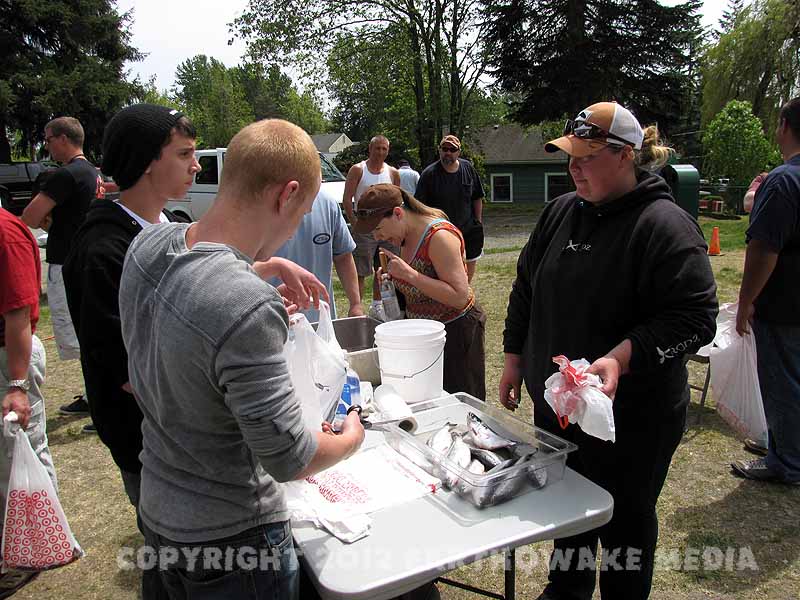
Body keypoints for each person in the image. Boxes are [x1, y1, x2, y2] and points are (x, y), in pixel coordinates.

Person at [118, 119, 365, 599]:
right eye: (302, 212)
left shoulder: (147, 244)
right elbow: (291, 456)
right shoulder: (246, 303)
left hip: (160, 512)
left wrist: (260, 268)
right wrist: (352, 435)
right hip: (233, 541)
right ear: (286, 195)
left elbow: (191, 280)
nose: (296, 225)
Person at [500, 102, 718, 599]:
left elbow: (696, 318)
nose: (573, 166)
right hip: (558, 409)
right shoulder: (560, 213)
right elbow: (526, 287)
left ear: (626, 156)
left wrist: (623, 355)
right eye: (569, 155)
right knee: (569, 512)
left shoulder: (664, 225)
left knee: (627, 519)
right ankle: (567, 587)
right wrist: (515, 358)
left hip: (635, 419)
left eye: (587, 156)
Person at [353, 183, 486, 400]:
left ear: (397, 213)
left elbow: (459, 297)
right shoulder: (404, 236)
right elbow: (419, 287)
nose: (377, 238)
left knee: (460, 405)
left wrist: (410, 275)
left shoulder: (439, 237)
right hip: (425, 337)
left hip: (455, 333)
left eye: (378, 229)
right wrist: (392, 281)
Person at [731, 97, 800, 486]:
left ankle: (786, 462)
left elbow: (764, 249)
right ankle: (784, 443)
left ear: (786, 127)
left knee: (782, 382)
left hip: (785, 306)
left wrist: (746, 302)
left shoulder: (783, 180)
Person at [21, 116, 103, 418]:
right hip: (85, 259)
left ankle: (98, 400)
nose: (47, 144)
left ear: (63, 139)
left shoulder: (64, 175)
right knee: (88, 331)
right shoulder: (91, 172)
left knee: (79, 335)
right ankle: (95, 396)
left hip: (66, 264)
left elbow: (29, 217)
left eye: (49, 138)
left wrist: (47, 217)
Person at [0, 207, 58, 596]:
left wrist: (17, 385)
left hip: (9, 358)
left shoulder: (5, 233)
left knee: (21, 452)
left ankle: (36, 550)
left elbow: (19, 314)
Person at [270, 190, 363, 322]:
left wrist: (355, 303)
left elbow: (343, 256)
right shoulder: (260, 204)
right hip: (274, 319)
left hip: (321, 321)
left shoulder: (328, 203)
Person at [414, 134, 484, 282]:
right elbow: (419, 207)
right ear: (439, 150)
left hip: (468, 230)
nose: (448, 152)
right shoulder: (429, 174)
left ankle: (465, 293)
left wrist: (478, 222)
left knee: (469, 266)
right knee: (446, 272)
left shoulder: (468, 168)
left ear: (458, 152)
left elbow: (477, 197)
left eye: (452, 149)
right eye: (445, 149)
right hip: (441, 234)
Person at [342, 135, 401, 305]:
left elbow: (398, 199)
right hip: (364, 227)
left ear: (388, 151)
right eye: (377, 148)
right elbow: (347, 198)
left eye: (384, 149)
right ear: (370, 149)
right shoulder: (358, 170)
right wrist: (354, 222)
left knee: (384, 269)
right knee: (360, 270)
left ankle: (377, 305)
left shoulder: (393, 173)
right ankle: (357, 306)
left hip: (387, 229)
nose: (380, 152)